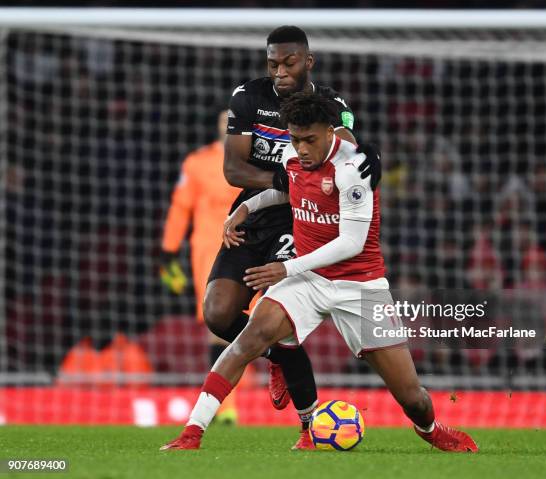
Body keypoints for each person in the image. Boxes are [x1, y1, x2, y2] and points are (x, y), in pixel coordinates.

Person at [161, 92, 477, 453]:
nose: (302, 148)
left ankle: (432, 430)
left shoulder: (353, 170)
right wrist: (245, 208)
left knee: (412, 396)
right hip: (309, 278)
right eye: (295, 139)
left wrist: (285, 267)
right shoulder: (293, 153)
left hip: (359, 283)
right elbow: (286, 191)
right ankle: (192, 432)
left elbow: (351, 243)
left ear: (331, 132)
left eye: (310, 139)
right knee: (250, 338)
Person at [201, 26, 381, 449]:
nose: (280, 72)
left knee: (274, 317)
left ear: (308, 61)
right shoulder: (247, 98)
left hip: (302, 218)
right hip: (254, 212)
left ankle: (307, 426)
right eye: (273, 64)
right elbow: (233, 170)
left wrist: (368, 150)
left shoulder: (331, 104)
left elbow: (350, 149)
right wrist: (283, 176)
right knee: (217, 313)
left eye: (289, 63)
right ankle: (279, 357)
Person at [159, 108, 243, 424]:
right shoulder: (197, 163)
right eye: (224, 122)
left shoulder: (258, 161)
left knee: (253, 326)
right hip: (209, 250)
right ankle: (226, 405)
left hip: (253, 249)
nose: (228, 127)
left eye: (233, 122)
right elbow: (181, 207)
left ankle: (233, 400)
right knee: (219, 325)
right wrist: (168, 251)